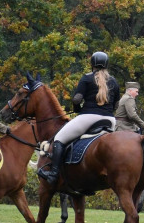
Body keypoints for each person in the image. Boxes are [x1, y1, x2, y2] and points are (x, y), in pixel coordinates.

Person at [38, 52, 120, 183]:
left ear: (92, 64)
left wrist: (78, 110)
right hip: (110, 120)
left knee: (59, 139)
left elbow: (77, 99)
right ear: (106, 64)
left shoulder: (87, 78)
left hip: (89, 117)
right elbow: (117, 104)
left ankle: (53, 175)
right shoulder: (114, 81)